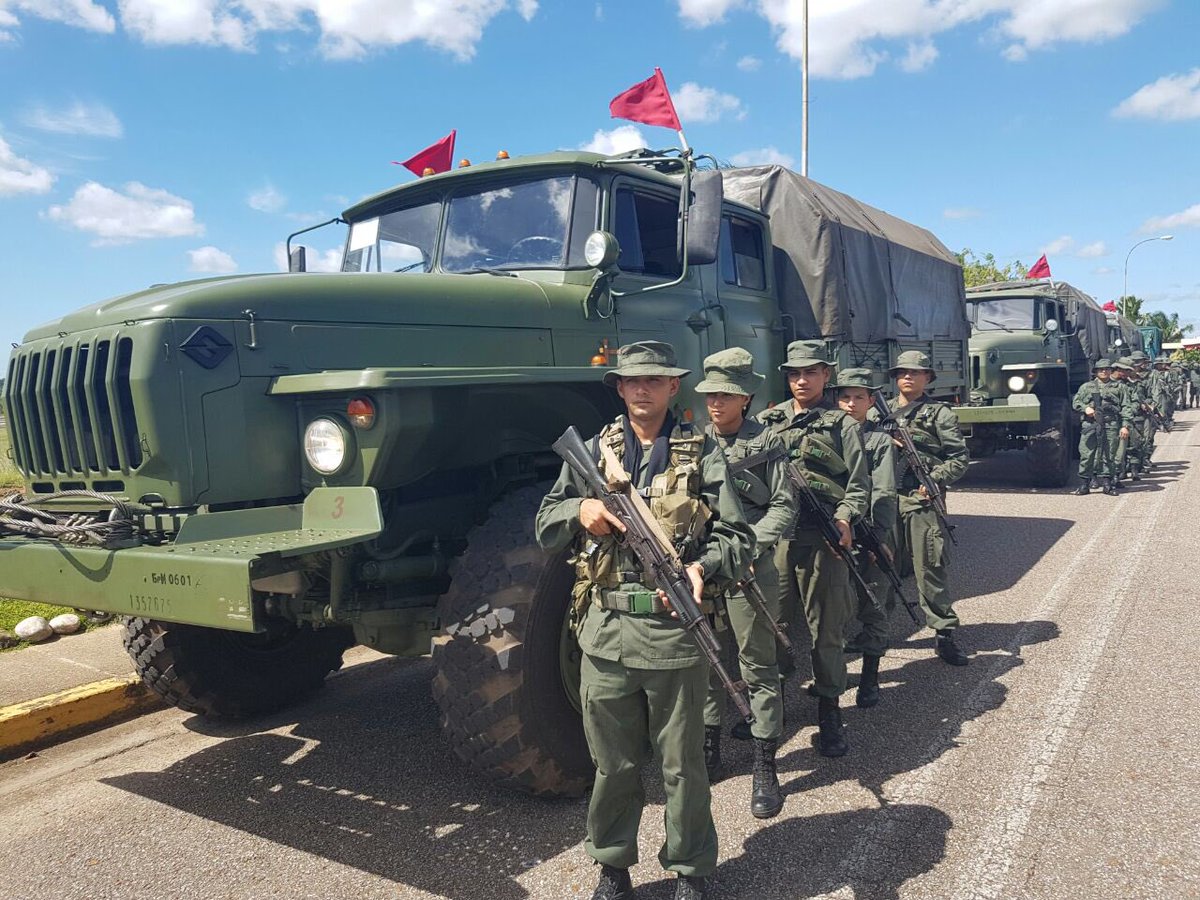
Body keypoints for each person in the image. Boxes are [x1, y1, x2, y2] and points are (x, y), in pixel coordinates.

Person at [535, 340, 753, 900]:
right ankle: (612, 867)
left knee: (683, 768)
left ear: (672, 387)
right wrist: (578, 509)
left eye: (653, 380)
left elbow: (738, 537)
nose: (641, 389)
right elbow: (545, 521)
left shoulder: (702, 453)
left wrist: (705, 565)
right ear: (619, 388)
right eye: (631, 381)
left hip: (675, 633)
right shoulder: (591, 450)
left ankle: (691, 869)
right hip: (605, 632)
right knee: (613, 765)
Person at [757, 340, 869, 757]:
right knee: (773, 627)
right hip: (779, 541)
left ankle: (829, 711)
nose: (801, 380)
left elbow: (859, 484)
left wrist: (844, 517)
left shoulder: (843, 426)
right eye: (794, 374)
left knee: (827, 630)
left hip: (823, 540)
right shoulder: (768, 422)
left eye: (810, 372)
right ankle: (773, 708)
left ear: (826, 375)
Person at [695, 348, 794, 819]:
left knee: (758, 663)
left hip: (751, 566)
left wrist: (751, 547)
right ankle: (710, 747)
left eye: (726, 394)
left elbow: (783, 505)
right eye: (711, 393)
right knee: (708, 659)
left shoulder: (767, 443)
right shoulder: (692, 445)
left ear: (746, 397)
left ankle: (764, 763)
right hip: (705, 569)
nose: (716, 402)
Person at [884, 351, 970, 666]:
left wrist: (933, 478)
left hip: (921, 498)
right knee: (880, 567)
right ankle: (875, 634)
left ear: (927, 378)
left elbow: (958, 458)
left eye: (915, 373)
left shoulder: (939, 414)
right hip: (884, 498)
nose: (908, 377)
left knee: (929, 567)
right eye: (902, 372)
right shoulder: (880, 412)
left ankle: (944, 633)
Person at [836, 367, 898, 708]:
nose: (850, 403)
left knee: (873, 604)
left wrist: (880, 537)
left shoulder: (878, 440)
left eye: (858, 397)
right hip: (838, 531)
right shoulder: (830, 434)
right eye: (844, 397)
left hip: (870, 530)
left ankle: (870, 678)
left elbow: (884, 491)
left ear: (871, 402)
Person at [1070, 359, 1131, 495]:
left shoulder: (1120, 388)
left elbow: (1126, 407)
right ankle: (1084, 484)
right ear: (1096, 372)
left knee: (1109, 454)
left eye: (1107, 369)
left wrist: (1125, 426)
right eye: (1101, 369)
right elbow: (1076, 402)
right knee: (1087, 454)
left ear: (1111, 371)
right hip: (1091, 424)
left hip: (1110, 424)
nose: (1104, 371)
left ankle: (1107, 484)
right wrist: (1086, 408)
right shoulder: (1087, 387)